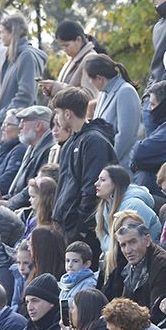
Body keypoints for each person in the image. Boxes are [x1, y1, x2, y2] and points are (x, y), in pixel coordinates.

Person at [51, 87, 118, 256]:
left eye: (58, 113)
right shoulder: (71, 142)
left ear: (67, 113)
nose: (57, 119)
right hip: (66, 227)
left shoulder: (94, 141)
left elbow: (93, 188)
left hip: (82, 232)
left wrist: (80, 228)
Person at [101, 220, 166, 326]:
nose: (128, 250)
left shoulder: (164, 265)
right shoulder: (131, 265)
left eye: (133, 242)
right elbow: (126, 304)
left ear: (147, 240)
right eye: (123, 245)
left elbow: (156, 314)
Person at [5, 106, 55, 208]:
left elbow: (35, 186)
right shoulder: (32, 148)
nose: (20, 126)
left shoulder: (49, 149)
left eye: (24, 121)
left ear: (39, 126)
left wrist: (8, 204)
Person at [40, 20, 100, 97]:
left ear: (79, 40)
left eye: (66, 45)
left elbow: (89, 96)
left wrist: (58, 88)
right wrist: (51, 90)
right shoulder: (70, 61)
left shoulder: (91, 59)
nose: (64, 49)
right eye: (61, 46)